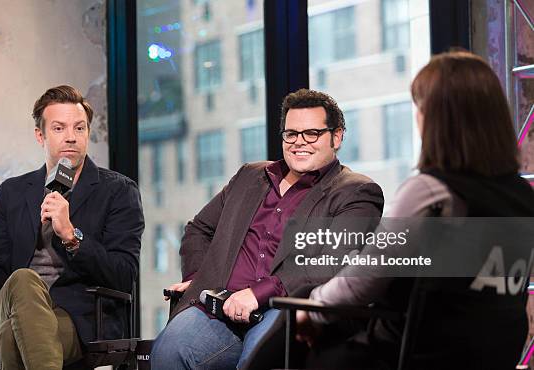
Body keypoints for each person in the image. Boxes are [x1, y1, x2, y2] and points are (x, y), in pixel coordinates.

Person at [295, 51, 534, 369]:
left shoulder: (430, 191)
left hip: (418, 354)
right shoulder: (522, 197)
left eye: (420, 108)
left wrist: (311, 307)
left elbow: (361, 283)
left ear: (437, 119)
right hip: (493, 355)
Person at [151, 89, 384, 370]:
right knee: (167, 353)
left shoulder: (356, 191)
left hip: (285, 308)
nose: (299, 142)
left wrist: (257, 294)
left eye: (311, 133)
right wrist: (201, 277)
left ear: (337, 137)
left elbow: (332, 262)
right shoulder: (250, 176)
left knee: (257, 360)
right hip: (220, 305)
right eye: (291, 134)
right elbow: (199, 229)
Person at [0, 85, 144, 369]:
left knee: (10, 335)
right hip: (13, 303)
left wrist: (72, 235)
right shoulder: (12, 192)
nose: (71, 137)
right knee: (21, 281)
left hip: (79, 318)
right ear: (39, 135)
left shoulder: (118, 191)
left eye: (79, 128)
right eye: (59, 128)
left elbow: (123, 274)